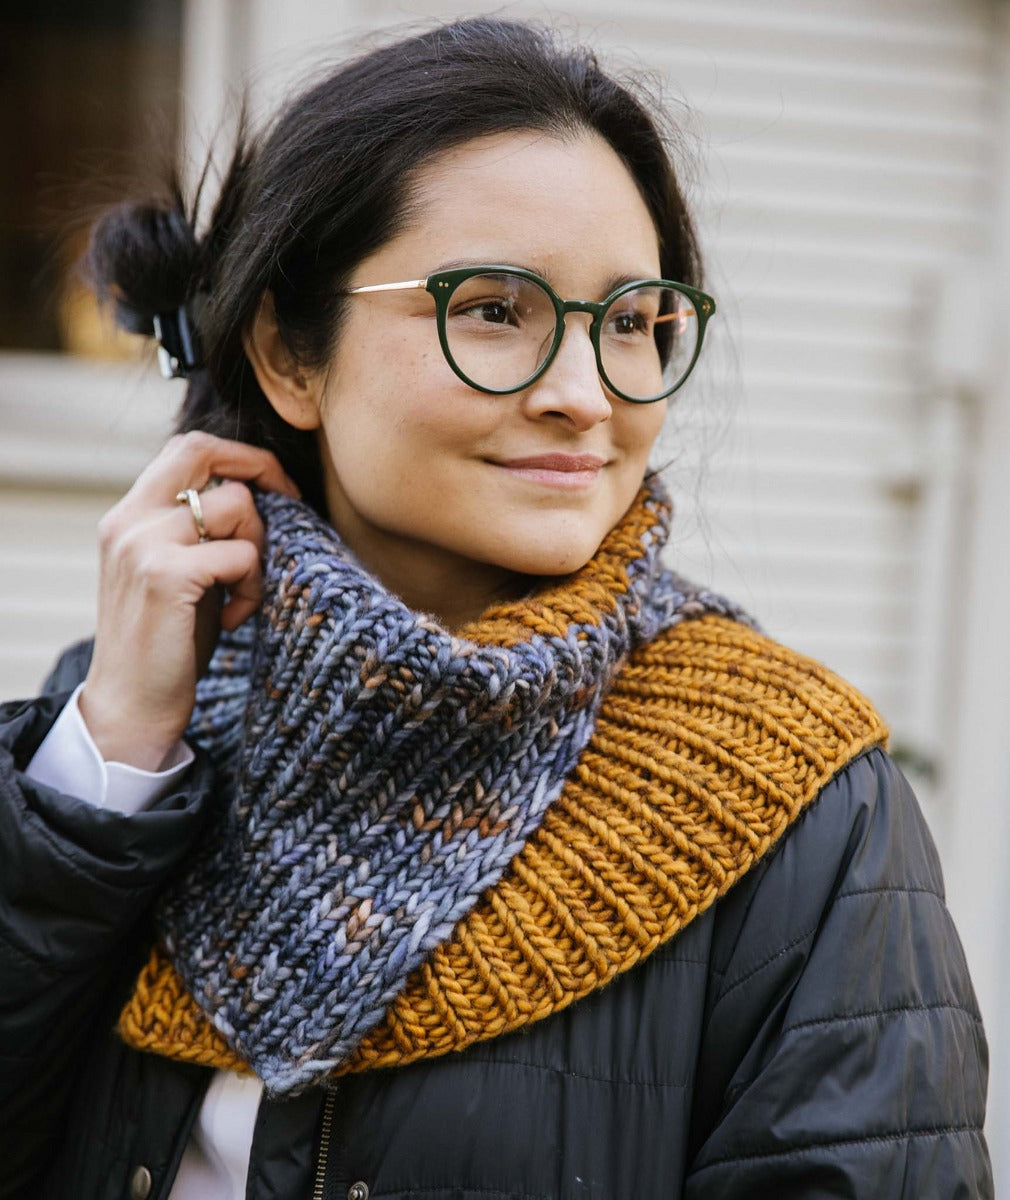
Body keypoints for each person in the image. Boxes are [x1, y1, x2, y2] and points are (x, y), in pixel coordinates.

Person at [0, 16, 992, 1200]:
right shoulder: (123, 720)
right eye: (491, 309)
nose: (582, 396)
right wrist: (102, 773)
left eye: (630, 322)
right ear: (287, 354)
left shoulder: (795, 795)